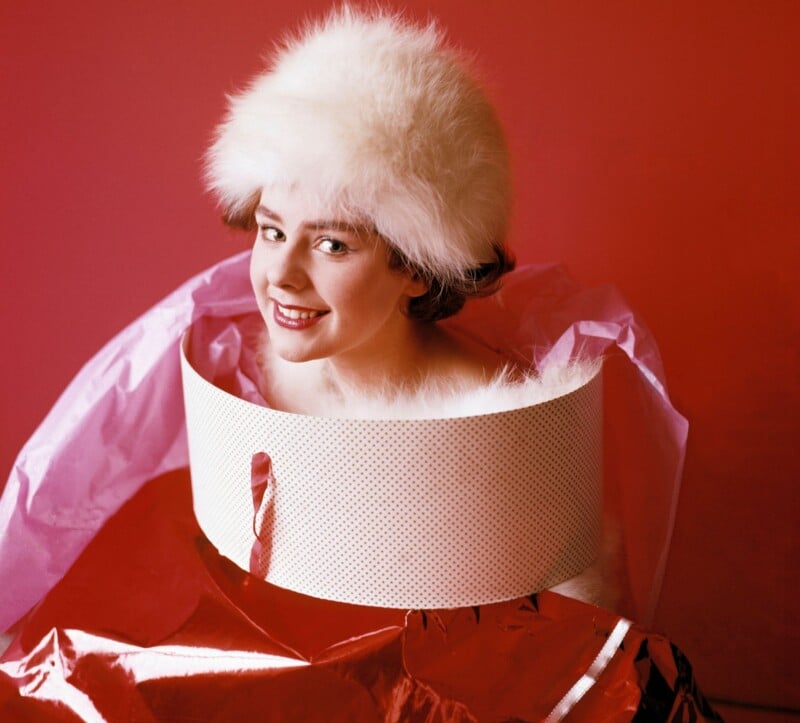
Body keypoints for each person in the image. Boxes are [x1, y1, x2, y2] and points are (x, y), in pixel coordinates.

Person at [0, 7, 720, 721]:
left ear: (416, 269)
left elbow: (563, 656)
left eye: (333, 246)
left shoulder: (499, 428)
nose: (281, 275)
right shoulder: (254, 377)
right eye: (271, 230)